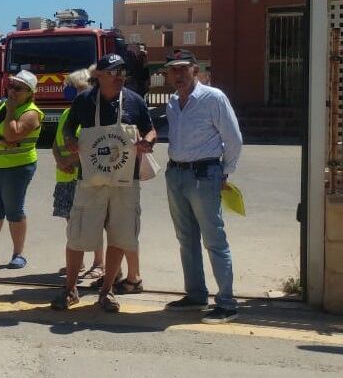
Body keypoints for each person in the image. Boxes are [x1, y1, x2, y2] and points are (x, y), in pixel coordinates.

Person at [52, 53, 156, 313]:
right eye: (113, 72)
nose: (120, 77)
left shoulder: (135, 101)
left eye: (122, 72)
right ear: (98, 75)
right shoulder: (84, 101)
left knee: (120, 236)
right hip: (90, 180)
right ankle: (70, 289)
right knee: (77, 236)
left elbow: (150, 129)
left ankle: (107, 291)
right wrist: (69, 140)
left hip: (125, 182)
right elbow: (68, 128)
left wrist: (149, 141)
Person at [162, 49, 244, 324]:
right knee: (186, 239)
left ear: (196, 70)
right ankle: (196, 294)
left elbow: (233, 139)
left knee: (214, 239)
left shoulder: (213, 98)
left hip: (204, 173)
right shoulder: (173, 102)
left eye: (183, 68)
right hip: (176, 174)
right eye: (173, 69)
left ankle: (227, 302)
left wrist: (224, 172)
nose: (177, 74)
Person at [0, 70, 43, 270]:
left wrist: (11, 111)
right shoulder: (0, 104)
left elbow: (13, 134)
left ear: (29, 92)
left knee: (14, 211)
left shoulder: (31, 113)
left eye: (18, 88)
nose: (12, 91)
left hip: (18, 168)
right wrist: (0, 141)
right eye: (10, 86)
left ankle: (18, 254)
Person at [52, 68, 106, 281]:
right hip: (65, 177)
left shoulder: (92, 115)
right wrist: (60, 160)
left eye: (74, 87)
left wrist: (71, 161)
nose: (70, 91)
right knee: (72, 222)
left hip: (84, 177)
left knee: (93, 222)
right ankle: (78, 262)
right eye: (69, 87)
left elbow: (93, 148)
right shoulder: (68, 113)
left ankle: (98, 263)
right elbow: (56, 142)